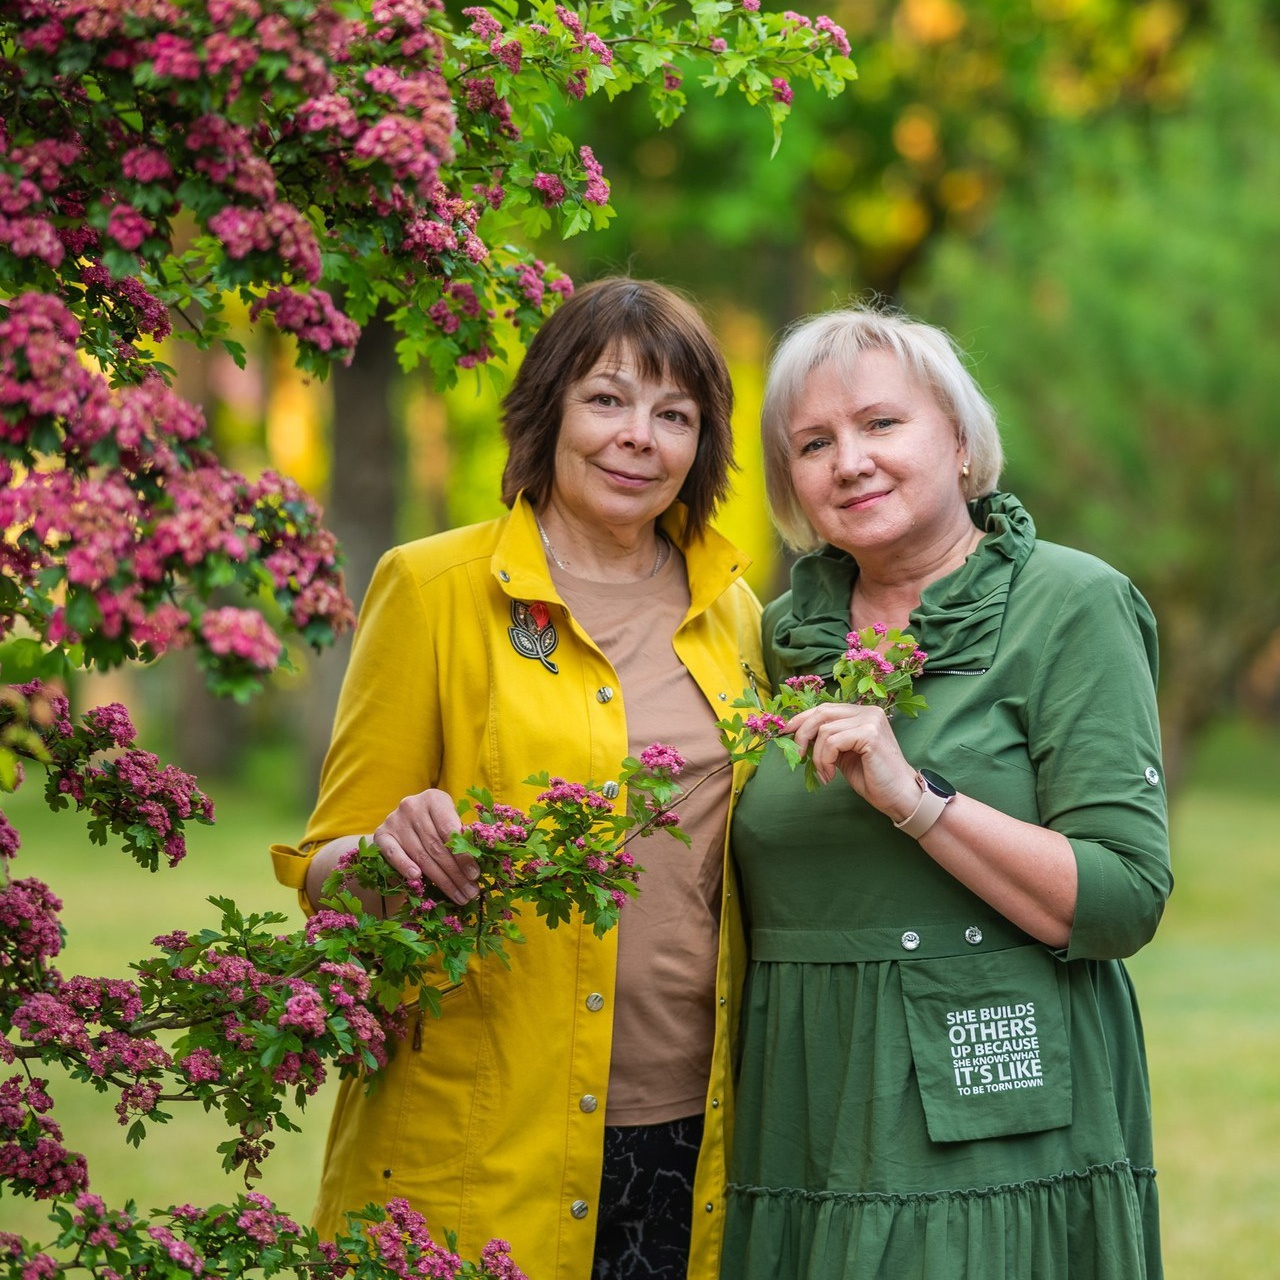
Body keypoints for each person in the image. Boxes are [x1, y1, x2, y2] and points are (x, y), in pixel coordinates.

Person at [269, 278, 764, 1280]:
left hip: (694, 1132)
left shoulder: (735, 611)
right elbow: (327, 866)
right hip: (482, 1136)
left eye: (675, 414)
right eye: (608, 399)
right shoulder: (432, 589)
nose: (640, 436)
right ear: (548, 411)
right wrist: (385, 850)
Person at [721, 305, 1171, 1279]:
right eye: (812, 441)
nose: (848, 460)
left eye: (881, 423)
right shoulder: (771, 637)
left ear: (960, 442)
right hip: (802, 1098)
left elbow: (1124, 895)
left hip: (998, 1103)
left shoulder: (1069, 605)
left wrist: (914, 796)